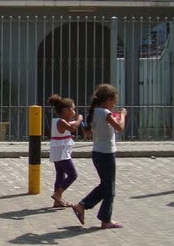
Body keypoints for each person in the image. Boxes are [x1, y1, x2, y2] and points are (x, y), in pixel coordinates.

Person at [71, 83, 126, 230]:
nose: (114, 104)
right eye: (114, 101)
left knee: (105, 186)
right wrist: (122, 116)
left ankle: (82, 205)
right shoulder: (105, 113)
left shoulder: (95, 112)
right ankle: (105, 219)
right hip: (106, 154)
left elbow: (88, 133)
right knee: (110, 188)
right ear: (108, 100)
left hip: (97, 152)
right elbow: (119, 127)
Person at [47, 94, 83, 208]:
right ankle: (58, 194)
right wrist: (79, 119)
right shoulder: (61, 122)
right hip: (62, 153)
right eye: (73, 109)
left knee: (60, 175)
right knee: (73, 175)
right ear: (67, 110)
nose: (74, 112)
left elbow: (70, 125)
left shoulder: (59, 121)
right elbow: (72, 128)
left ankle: (57, 201)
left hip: (58, 152)